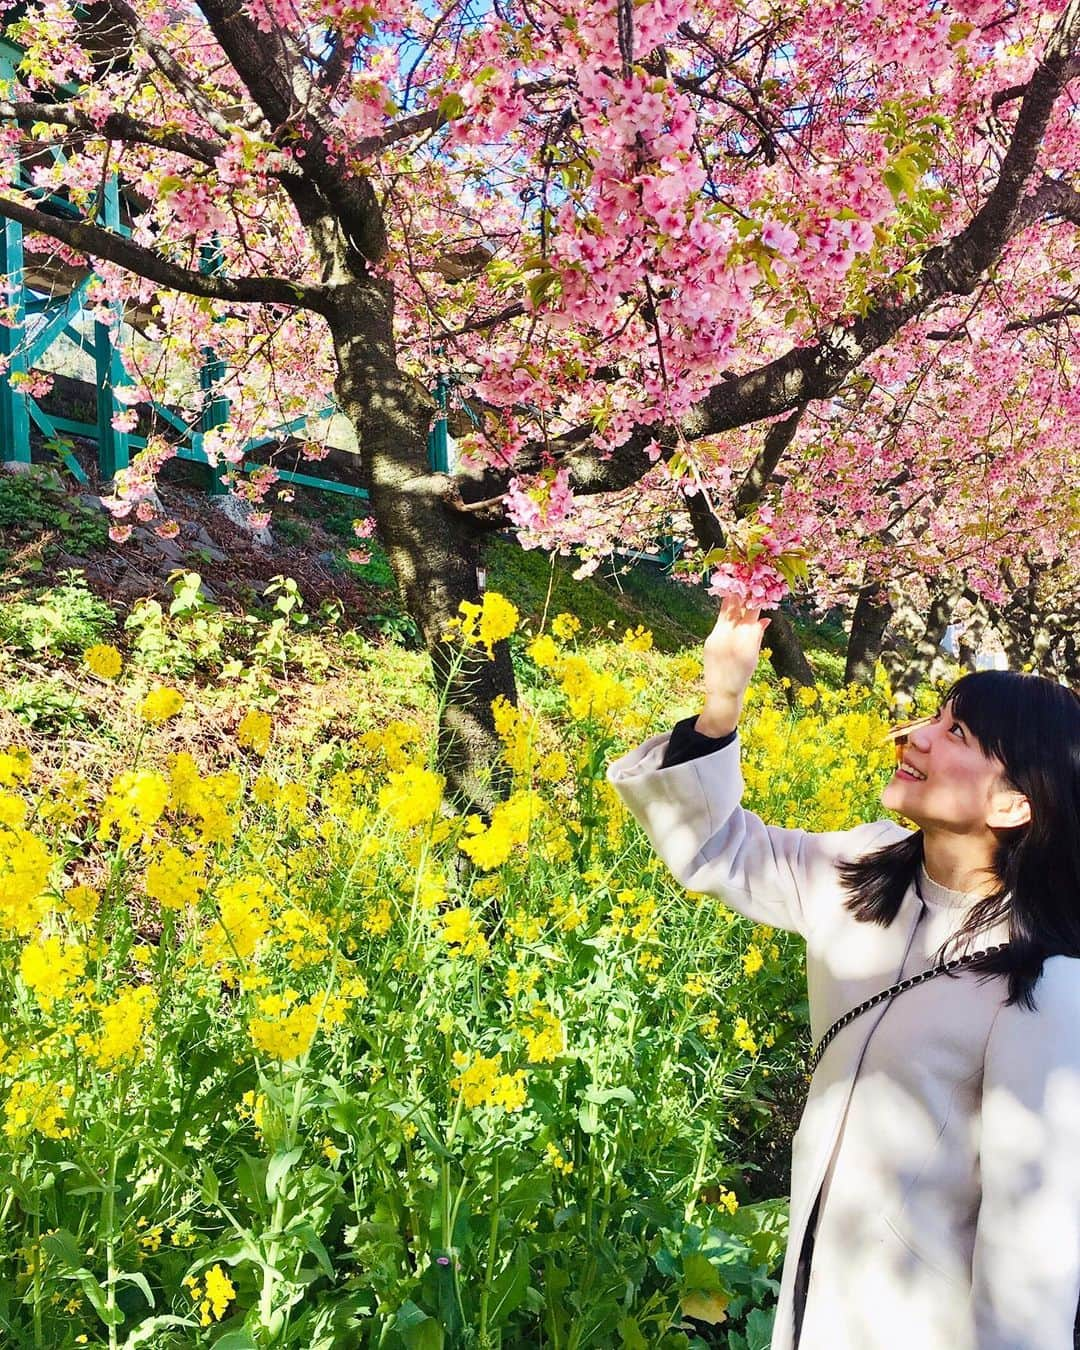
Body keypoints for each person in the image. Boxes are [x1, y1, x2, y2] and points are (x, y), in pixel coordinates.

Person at [606, 596, 1080, 1350]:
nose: (912, 736)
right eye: (933, 715)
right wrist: (722, 699)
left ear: (1016, 801)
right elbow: (715, 851)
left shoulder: (1044, 987)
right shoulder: (860, 871)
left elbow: (1031, 1252)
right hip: (813, 1297)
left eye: (954, 732)